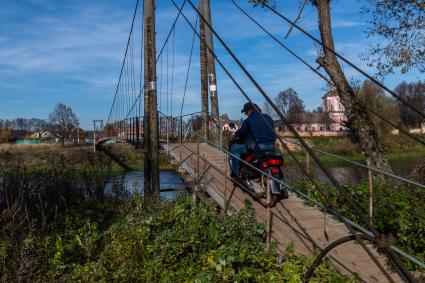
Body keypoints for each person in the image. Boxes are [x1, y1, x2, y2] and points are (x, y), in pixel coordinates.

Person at [230, 102, 276, 177]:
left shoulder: (249, 120)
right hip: (271, 146)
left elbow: (241, 133)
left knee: (234, 148)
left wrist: (235, 135)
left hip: (258, 146)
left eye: (245, 112)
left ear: (250, 110)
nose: (246, 114)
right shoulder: (268, 117)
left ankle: (236, 174)